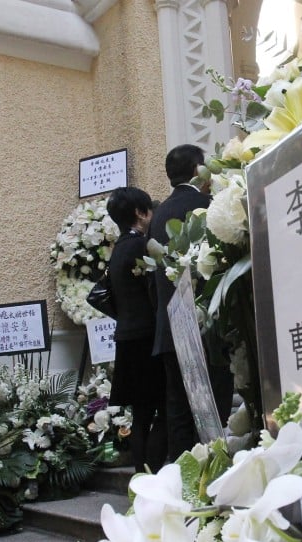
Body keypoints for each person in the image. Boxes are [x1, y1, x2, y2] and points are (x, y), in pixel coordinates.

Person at [149, 144, 234, 460]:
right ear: (200, 170)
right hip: (205, 326)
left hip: (171, 326)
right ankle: (215, 475)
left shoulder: (158, 216)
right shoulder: (207, 205)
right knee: (215, 408)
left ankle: (182, 478)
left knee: (179, 411)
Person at [105, 186, 167, 473]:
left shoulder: (117, 251)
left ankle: (141, 474)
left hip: (127, 339)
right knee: (165, 409)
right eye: (149, 210)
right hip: (147, 340)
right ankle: (153, 472)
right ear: (141, 213)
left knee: (141, 413)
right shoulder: (141, 246)